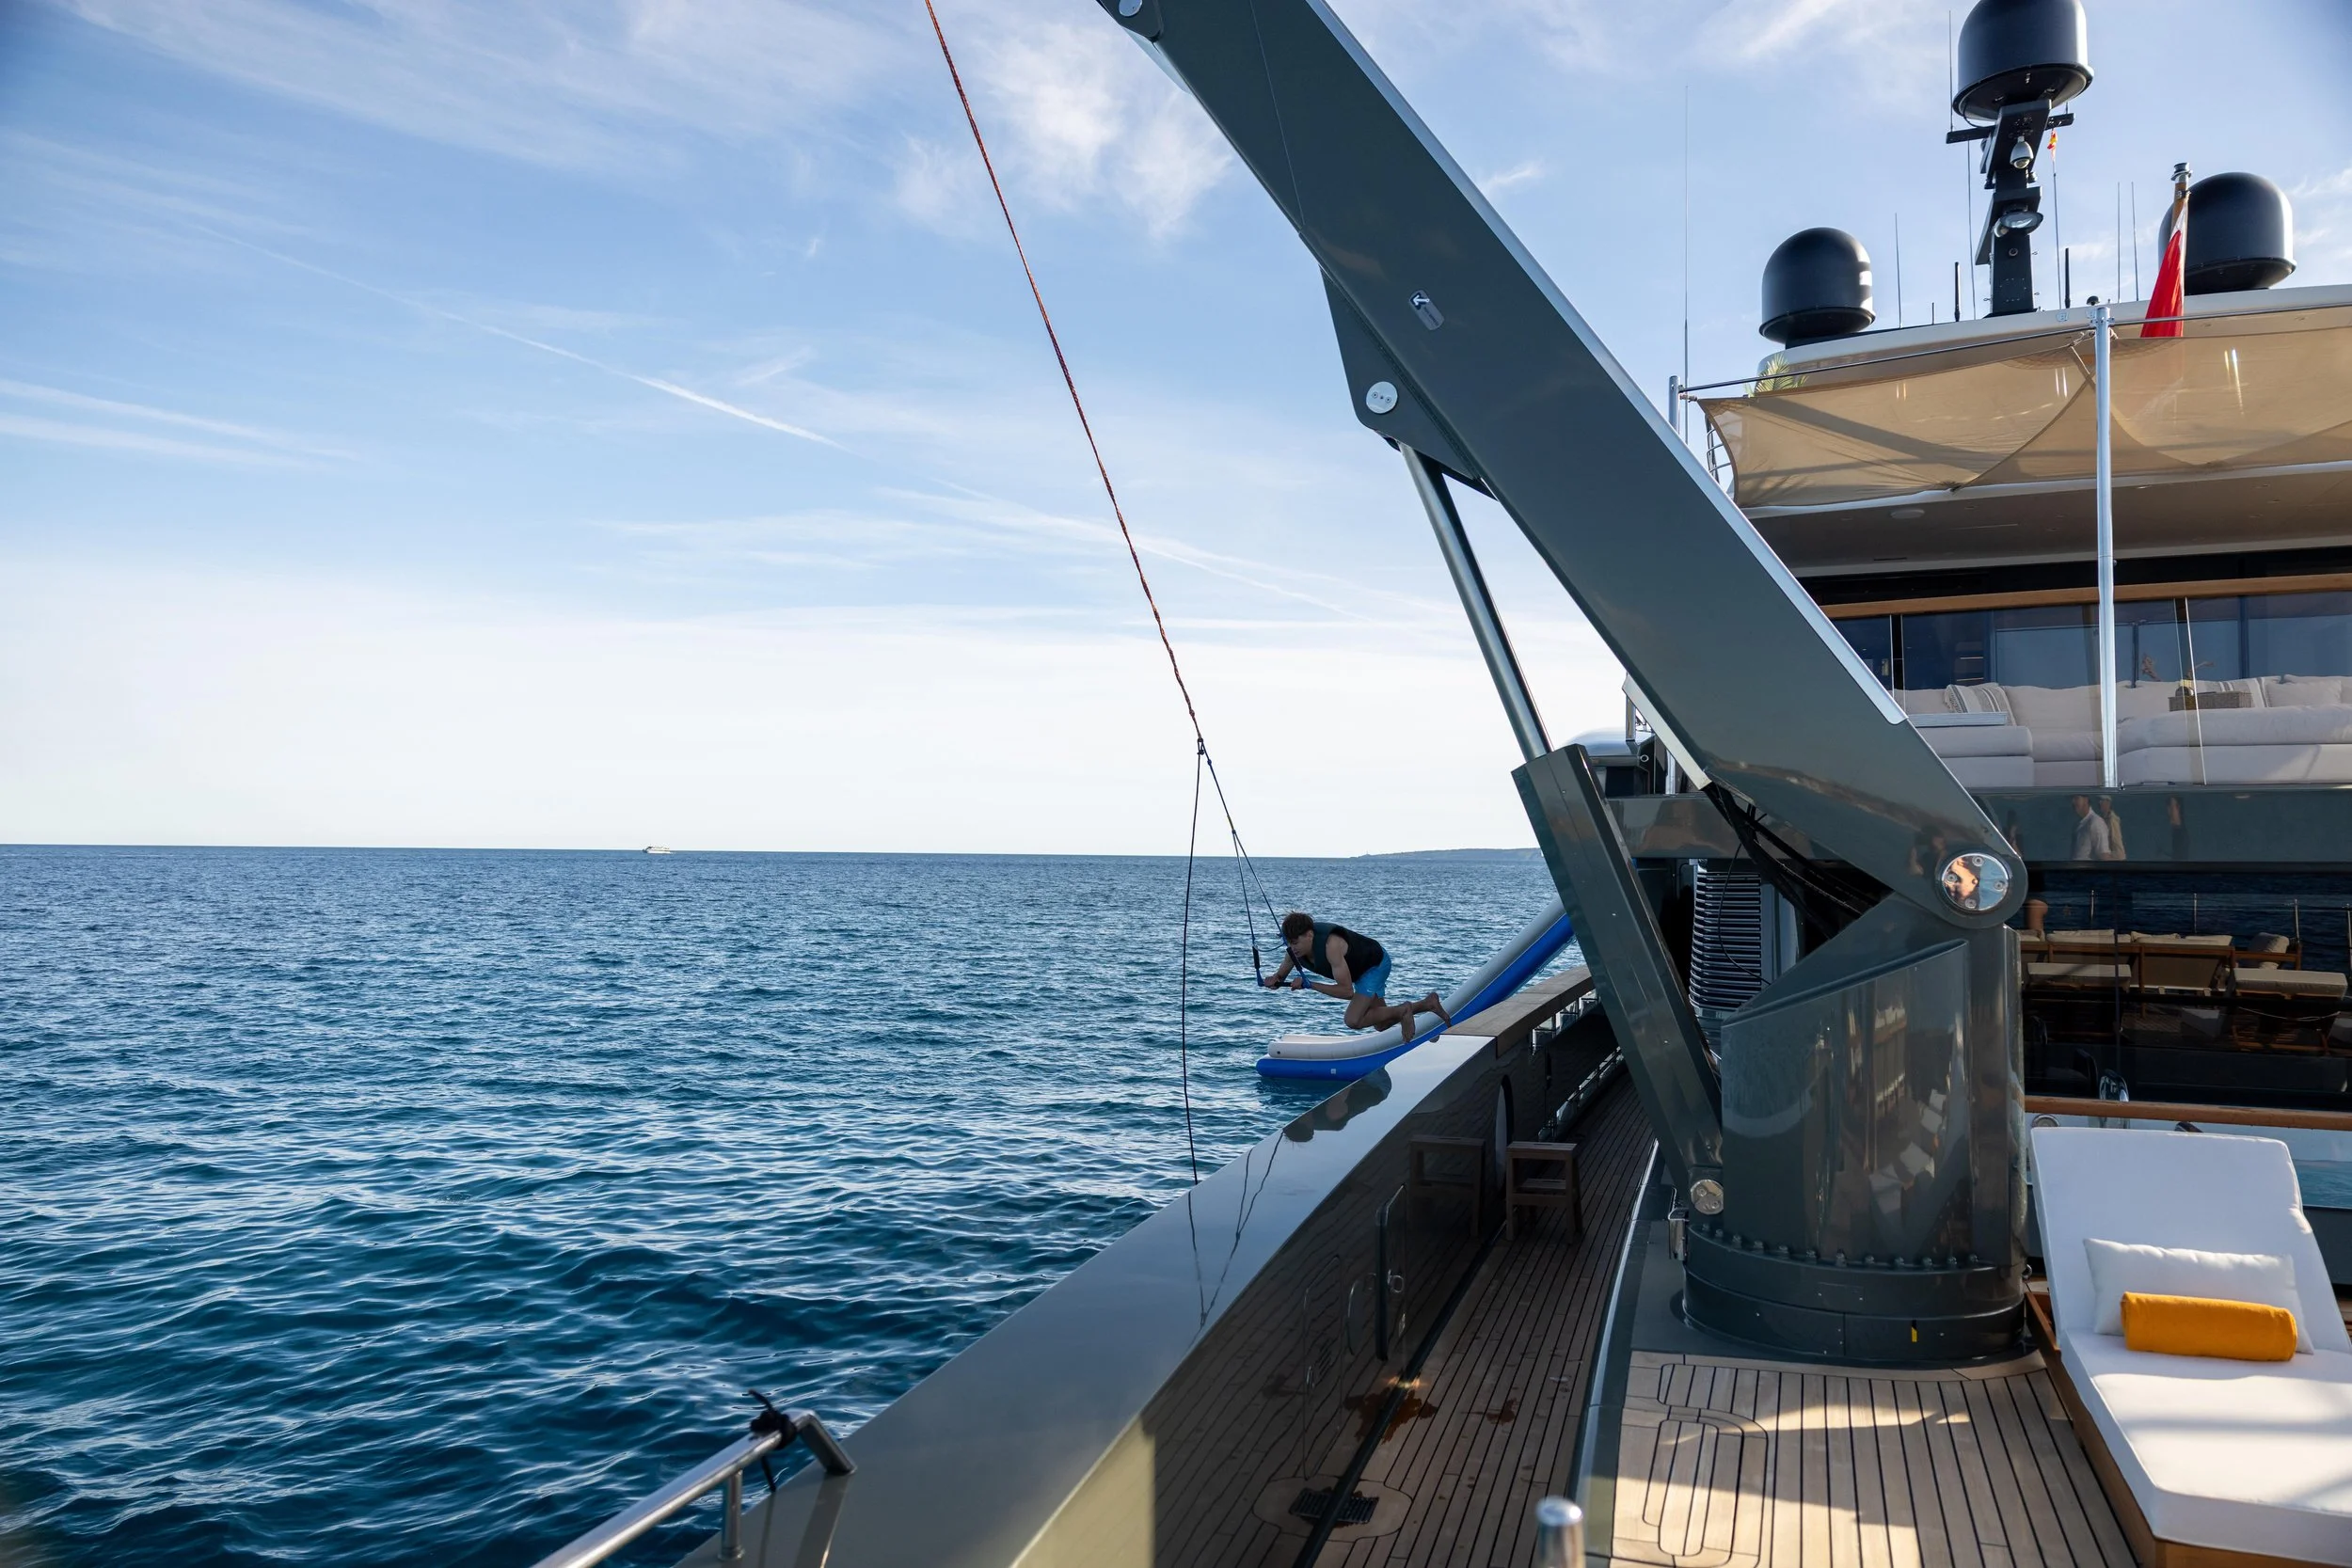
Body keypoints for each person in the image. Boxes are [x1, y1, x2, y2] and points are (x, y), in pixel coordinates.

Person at [1263, 911, 1450, 1040]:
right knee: (1381, 1024)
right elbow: (1280, 975)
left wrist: (1310, 984)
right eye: (1288, 942)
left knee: (1352, 1020)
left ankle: (1405, 1010)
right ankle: (1428, 1004)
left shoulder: (1331, 946)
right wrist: (1274, 980)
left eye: (1295, 942)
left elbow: (1346, 992)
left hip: (1374, 965)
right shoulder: (1292, 952)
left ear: (1310, 935)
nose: (1292, 947)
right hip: (1360, 971)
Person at [2069, 794, 2112, 862]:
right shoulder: (2078, 824)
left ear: (2086, 800)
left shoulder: (2096, 822)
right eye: (2072, 798)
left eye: (2076, 798)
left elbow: (2104, 856)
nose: (2073, 802)